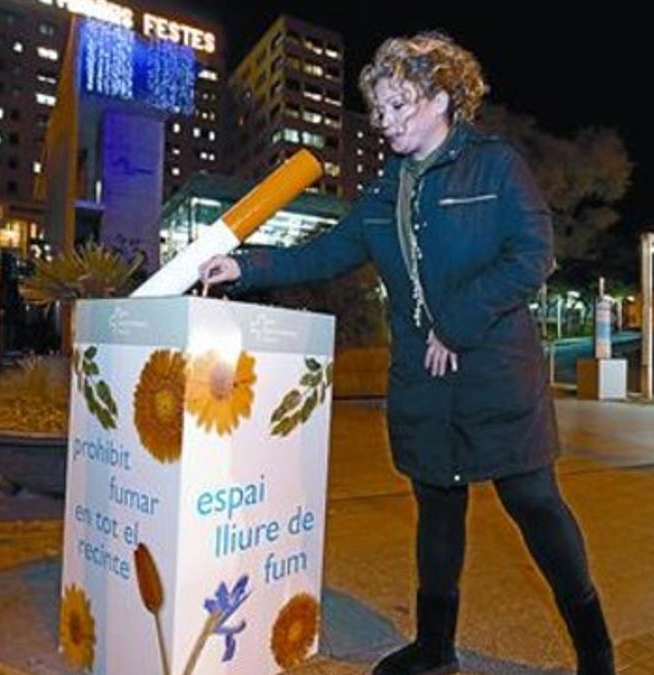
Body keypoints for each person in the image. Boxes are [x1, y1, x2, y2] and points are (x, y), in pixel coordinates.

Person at [200, 32, 614, 675]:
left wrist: (455, 323)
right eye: (382, 108)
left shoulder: (494, 165)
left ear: (443, 98)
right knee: (437, 510)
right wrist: (244, 266)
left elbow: (532, 258)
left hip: (495, 373)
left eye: (400, 105)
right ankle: (435, 648)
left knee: (534, 504)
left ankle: (596, 653)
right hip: (424, 379)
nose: (386, 121)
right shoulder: (387, 188)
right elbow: (328, 251)